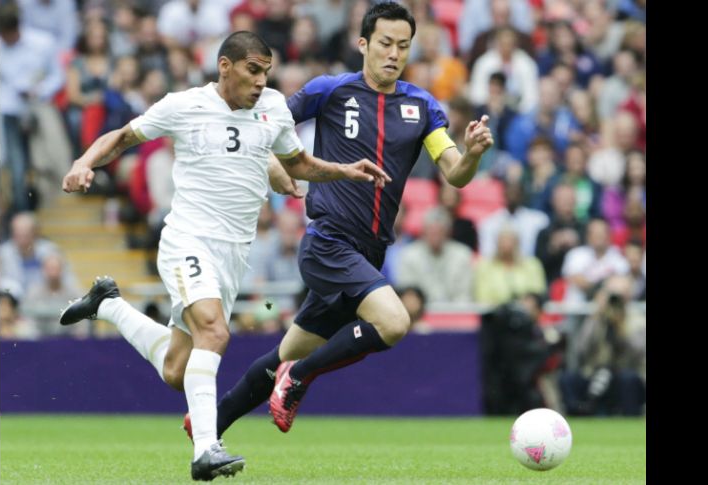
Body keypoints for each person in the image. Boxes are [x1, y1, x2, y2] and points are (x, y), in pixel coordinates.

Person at [57, 31, 390, 482]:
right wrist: (84, 163)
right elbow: (122, 137)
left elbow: (296, 164)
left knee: (178, 370)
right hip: (188, 240)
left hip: (233, 254)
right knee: (214, 333)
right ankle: (206, 449)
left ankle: (108, 303)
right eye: (253, 70)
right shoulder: (185, 105)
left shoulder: (272, 108)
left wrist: (343, 171)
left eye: (266, 71)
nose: (261, 81)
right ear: (225, 67)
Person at [211, 2, 493, 438]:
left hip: (368, 254)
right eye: (385, 43)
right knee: (395, 323)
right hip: (328, 241)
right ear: (363, 44)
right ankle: (300, 378)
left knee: (283, 352)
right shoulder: (330, 90)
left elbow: (455, 174)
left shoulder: (423, 108)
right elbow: (262, 126)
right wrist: (274, 169)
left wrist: (472, 153)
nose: (394, 53)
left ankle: (210, 425)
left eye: (403, 45)